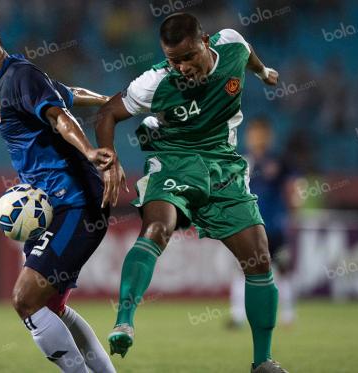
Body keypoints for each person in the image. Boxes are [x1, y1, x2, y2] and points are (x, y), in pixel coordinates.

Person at [95, 12, 288, 373]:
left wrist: (264, 73)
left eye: (188, 57)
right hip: (174, 163)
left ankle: (263, 362)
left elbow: (247, 51)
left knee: (260, 259)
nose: (182, 67)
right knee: (157, 229)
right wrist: (109, 161)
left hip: (223, 167)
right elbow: (107, 113)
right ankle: (124, 320)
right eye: (173, 60)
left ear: (206, 41)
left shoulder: (230, 44)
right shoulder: (154, 82)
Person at [0, 12, 116, 372]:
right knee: (49, 307)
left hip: (76, 205)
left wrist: (88, 151)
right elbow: (70, 96)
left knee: (26, 300)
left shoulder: (19, 77)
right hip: (57, 208)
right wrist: (110, 101)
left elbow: (59, 116)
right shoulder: (14, 80)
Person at [229, 117, 296, 328]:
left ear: (269, 136)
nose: (256, 138)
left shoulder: (280, 162)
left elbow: (292, 189)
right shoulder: (241, 161)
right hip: (249, 227)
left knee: (282, 268)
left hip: (275, 226)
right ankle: (237, 316)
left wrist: (293, 211)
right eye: (253, 133)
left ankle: (287, 314)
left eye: (260, 133)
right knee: (242, 268)